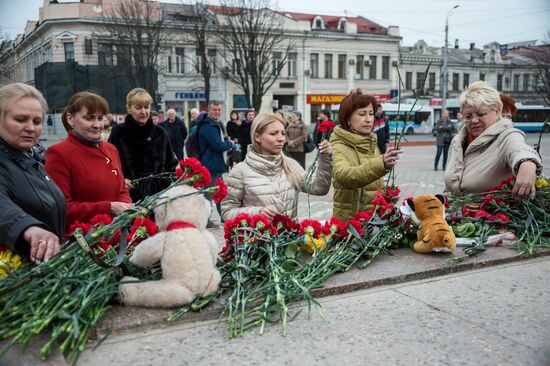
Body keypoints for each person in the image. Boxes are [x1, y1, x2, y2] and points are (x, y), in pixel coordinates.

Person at [45, 92, 132, 233]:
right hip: (82, 242)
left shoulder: (111, 149)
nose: (97, 125)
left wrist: (126, 206)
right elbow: (61, 209)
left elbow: (121, 189)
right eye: (89, 118)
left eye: (100, 118)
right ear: (70, 119)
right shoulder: (58, 153)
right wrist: (108, 207)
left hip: (115, 237)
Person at [222, 112, 332, 220]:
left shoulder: (290, 165)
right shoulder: (240, 171)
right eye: (274, 133)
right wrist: (257, 212)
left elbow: (319, 188)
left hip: (291, 237)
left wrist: (325, 157)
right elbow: (227, 212)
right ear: (257, 137)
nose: (281, 138)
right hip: (257, 237)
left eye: (283, 133)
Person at [0, 83, 66, 264]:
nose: (31, 127)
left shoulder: (34, 156)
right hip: (16, 279)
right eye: (21, 119)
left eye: (37, 122)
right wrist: (28, 228)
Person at [444, 81, 542, 198]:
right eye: (468, 116)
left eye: (481, 114)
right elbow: (450, 186)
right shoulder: (458, 141)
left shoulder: (507, 136)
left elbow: (518, 148)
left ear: (497, 112)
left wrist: (527, 164)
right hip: (456, 214)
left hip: (493, 215)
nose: (474, 121)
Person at [331, 90, 402, 221]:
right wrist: (381, 164)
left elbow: (372, 185)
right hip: (349, 227)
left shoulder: (371, 144)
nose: (369, 119)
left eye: (371, 114)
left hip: (372, 222)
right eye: (362, 114)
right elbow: (344, 176)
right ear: (347, 119)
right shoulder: (338, 146)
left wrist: (386, 197)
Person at [109, 88, 178, 202]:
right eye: (138, 107)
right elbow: (109, 163)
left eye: (147, 107)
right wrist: (120, 181)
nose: (143, 112)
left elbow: (171, 165)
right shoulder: (118, 133)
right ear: (129, 108)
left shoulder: (160, 133)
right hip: (128, 199)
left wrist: (165, 187)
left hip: (157, 199)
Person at [198, 101, 234, 224]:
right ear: (208, 110)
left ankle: (224, 218)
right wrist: (230, 144)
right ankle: (205, 221)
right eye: (214, 110)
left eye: (219, 110)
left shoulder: (215, 124)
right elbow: (217, 146)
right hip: (210, 166)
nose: (217, 112)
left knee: (220, 193)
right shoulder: (208, 126)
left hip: (215, 165)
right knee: (209, 195)